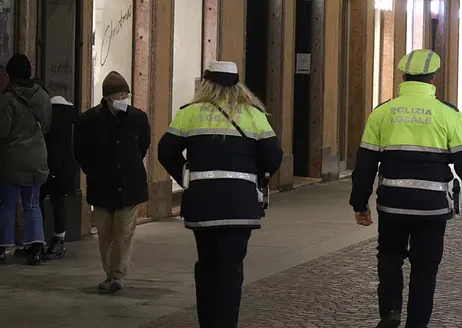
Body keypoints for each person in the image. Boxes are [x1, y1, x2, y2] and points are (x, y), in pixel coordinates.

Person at [350, 49, 462, 328]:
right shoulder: (448, 114)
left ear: (403, 77)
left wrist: (359, 203)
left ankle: (389, 315)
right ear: (433, 80)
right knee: (425, 269)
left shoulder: (382, 112)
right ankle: (417, 323)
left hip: (391, 204)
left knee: (389, 260)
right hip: (432, 208)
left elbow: (364, 163)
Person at [158, 61, 283, 328]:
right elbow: (273, 157)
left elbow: (165, 151)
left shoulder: (189, 113)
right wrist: (253, 173)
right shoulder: (254, 114)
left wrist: (186, 175)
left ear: (206, 83)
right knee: (230, 269)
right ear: (239, 85)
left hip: (203, 204)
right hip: (240, 204)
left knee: (207, 265)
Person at [74, 71, 150, 294]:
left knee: (124, 233)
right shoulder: (89, 120)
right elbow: (79, 150)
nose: (124, 98)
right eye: (119, 95)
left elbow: (142, 146)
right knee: (106, 235)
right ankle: (110, 273)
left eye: (126, 94)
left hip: (130, 185)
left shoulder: (138, 118)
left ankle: (117, 275)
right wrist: (92, 170)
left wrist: (130, 163)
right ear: (107, 98)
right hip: (102, 186)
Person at [0, 54, 52, 266]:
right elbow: (47, 125)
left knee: (7, 205)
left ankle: (1, 250)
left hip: (12, 159)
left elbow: (3, 129)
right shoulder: (42, 95)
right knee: (32, 204)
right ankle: (35, 249)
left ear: (11, 74)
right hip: (36, 158)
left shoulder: (9, 97)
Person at [41, 94, 79, 260]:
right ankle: (58, 239)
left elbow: (54, 147)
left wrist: (52, 170)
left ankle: (38, 239)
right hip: (68, 168)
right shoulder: (73, 118)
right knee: (58, 202)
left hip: (50, 166)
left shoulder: (51, 119)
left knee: (37, 201)